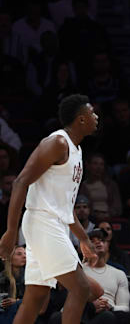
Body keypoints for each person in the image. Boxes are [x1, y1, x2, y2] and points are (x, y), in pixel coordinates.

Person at [0, 94, 100, 324]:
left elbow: (65, 205)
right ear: (81, 120)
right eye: (92, 113)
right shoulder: (57, 142)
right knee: (81, 289)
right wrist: (11, 232)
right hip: (43, 223)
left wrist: (83, 239)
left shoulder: (77, 150)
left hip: (53, 223)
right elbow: (20, 182)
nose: (96, 117)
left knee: (36, 297)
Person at [82, 229, 130, 324]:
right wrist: (91, 306)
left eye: (102, 240)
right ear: (85, 247)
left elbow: (125, 307)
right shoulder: (79, 270)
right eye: (92, 241)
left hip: (111, 313)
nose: (98, 243)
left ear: (107, 246)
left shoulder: (119, 273)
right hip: (84, 314)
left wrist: (110, 307)